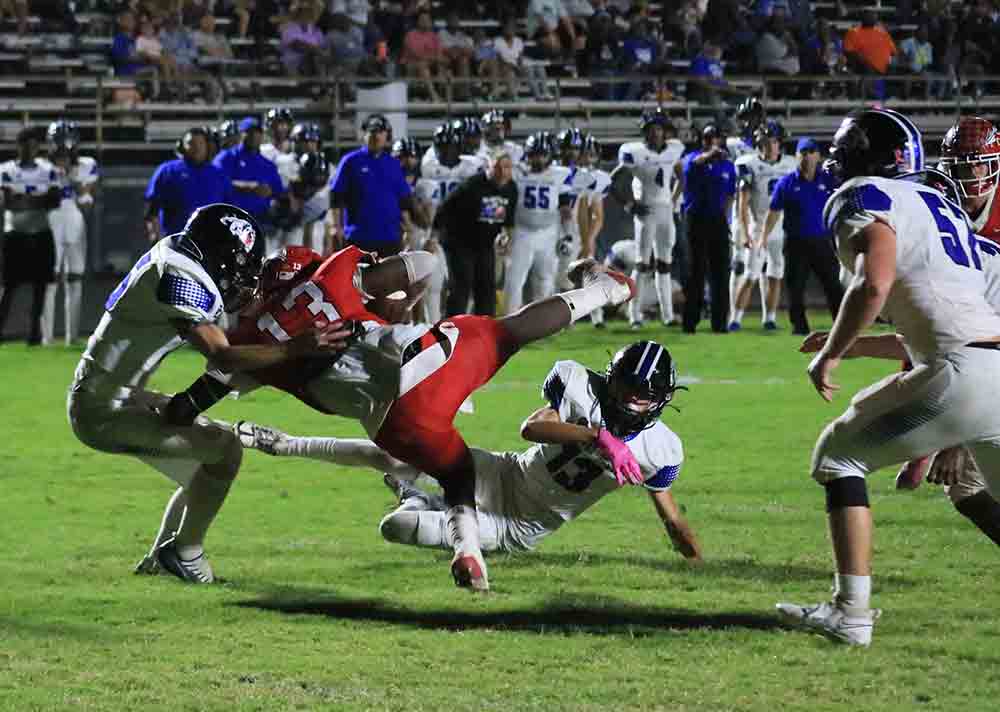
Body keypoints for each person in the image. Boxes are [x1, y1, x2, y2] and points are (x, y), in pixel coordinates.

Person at [163, 245, 638, 591]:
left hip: (395, 421)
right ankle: (603, 292)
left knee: (454, 470)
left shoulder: (250, 342)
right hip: (426, 358)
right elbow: (428, 262)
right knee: (507, 331)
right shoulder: (332, 276)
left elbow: (190, 402)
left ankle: (469, 553)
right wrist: (393, 303)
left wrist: (164, 388)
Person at [775, 108, 1000, 647]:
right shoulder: (938, 206)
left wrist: (831, 352)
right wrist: (854, 347)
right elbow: (947, 317)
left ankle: (850, 612)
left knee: (838, 456)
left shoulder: (863, 197)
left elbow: (872, 283)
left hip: (959, 368)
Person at [68, 204, 351, 585]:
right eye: (239, 264)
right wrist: (294, 348)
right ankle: (186, 552)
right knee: (225, 449)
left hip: (115, 391)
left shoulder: (177, 253)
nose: (242, 276)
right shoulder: (180, 276)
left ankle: (161, 557)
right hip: (102, 408)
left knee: (203, 465)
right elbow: (221, 354)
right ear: (219, 253)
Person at [235, 342, 703, 559]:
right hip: (507, 473)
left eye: (639, 395)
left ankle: (419, 500)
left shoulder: (660, 449)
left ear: (660, 398)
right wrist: (597, 436)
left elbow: (671, 518)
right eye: (622, 386)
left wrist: (697, 561)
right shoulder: (581, 387)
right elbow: (533, 429)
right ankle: (284, 443)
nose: (625, 400)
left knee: (398, 526)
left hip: (523, 524)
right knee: (400, 453)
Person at [611, 107, 686, 328]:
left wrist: (673, 200)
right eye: (651, 129)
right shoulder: (635, 152)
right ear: (645, 132)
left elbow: (681, 177)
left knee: (665, 265)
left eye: (658, 129)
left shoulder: (673, 150)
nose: (655, 133)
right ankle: (634, 316)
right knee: (643, 264)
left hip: (665, 211)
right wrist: (629, 204)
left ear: (665, 131)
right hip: (646, 212)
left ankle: (668, 316)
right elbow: (613, 180)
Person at [760, 137, 841, 335]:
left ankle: (841, 325)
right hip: (796, 242)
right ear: (797, 156)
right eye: (803, 153)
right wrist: (763, 237)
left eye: (811, 152)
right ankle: (800, 327)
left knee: (833, 285)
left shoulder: (829, 180)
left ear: (818, 156)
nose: (807, 157)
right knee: (795, 287)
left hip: (823, 241)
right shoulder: (786, 183)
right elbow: (773, 212)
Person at [412, 125, 487, 320]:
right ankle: (434, 324)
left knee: (464, 281)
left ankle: (462, 322)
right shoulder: (428, 165)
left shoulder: (474, 166)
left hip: (464, 231)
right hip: (436, 229)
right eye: (443, 146)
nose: (447, 151)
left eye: (451, 146)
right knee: (434, 283)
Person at [729, 120, 796, 332]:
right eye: (766, 141)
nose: (770, 146)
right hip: (757, 227)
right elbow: (743, 201)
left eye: (774, 141)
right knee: (751, 274)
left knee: (776, 274)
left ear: (780, 143)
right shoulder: (748, 163)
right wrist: (745, 229)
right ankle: (735, 318)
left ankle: (770, 318)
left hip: (780, 226)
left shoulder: (791, 164)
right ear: (759, 142)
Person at [329, 113, 427, 257]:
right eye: (372, 131)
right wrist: (335, 227)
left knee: (391, 279)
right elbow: (336, 197)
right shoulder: (350, 161)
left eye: (381, 132)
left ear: (386, 136)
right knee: (357, 279)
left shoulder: (393, 164)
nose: (376, 136)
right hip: (358, 237)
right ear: (364, 134)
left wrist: (409, 227)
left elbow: (404, 200)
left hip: (390, 237)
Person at [436, 148, 517, 318]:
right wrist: (434, 237)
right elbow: (445, 208)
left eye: (508, 167)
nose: (503, 172)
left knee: (487, 288)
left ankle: (484, 330)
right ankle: (451, 330)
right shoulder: (472, 185)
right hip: (459, 241)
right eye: (498, 167)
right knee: (461, 287)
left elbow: (507, 222)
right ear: (489, 166)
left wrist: (506, 238)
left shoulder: (511, 189)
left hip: (485, 243)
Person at [0, 127, 61, 345]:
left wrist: (23, 198)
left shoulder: (48, 170)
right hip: (15, 234)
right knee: (9, 285)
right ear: (19, 146)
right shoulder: (5, 170)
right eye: (26, 145)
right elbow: (8, 202)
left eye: (34, 145)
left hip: (40, 232)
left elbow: (54, 201)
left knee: (40, 285)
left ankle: (34, 332)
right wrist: (37, 198)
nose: (30, 149)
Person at [41, 121, 99, 346]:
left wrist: (73, 178)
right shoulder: (41, 167)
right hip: (51, 220)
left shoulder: (86, 164)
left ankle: (71, 336)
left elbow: (87, 202)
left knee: (75, 278)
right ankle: (46, 338)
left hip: (74, 221)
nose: (63, 149)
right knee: (50, 279)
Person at [504, 131, 573, 314]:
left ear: (550, 155)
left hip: (548, 233)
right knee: (514, 279)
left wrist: (567, 235)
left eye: (542, 154)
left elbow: (565, 209)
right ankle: (510, 320)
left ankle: (540, 323)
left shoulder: (560, 174)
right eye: (534, 154)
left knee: (544, 279)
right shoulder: (518, 172)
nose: (538, 159)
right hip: (522, 232)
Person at [679, 123, 737, 334]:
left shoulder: (727, 165)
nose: (712, 142)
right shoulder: (692, 158)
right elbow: (692, 165)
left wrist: (727, 219)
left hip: (718, 220)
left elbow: (731, 194)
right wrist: (710, 154)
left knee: (721, 273)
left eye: (716, 138)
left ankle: (719, 323)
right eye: (708, 138)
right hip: (695, 219)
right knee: (696, 272)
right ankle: (690, 322)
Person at [145, 127, 232, 244]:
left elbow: (229, 212)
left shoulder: (220, 175)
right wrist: (154, 237)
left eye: (201, 143)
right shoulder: (167, 171)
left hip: (211, 244)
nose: (196, 147)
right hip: (175, 243)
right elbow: (152, 211)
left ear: (208, 146)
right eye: (191, 143)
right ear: (181, 147)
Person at [212, 117, 286, 254]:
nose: (254, 136)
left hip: (261, 223)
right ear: (241, 134)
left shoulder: (267, 164)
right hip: (231, 222)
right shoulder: (227, 157)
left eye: (258, 132)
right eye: (249, 132)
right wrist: (249, 187)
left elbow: (278, 191)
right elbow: (215, 181)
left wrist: (275, 198)